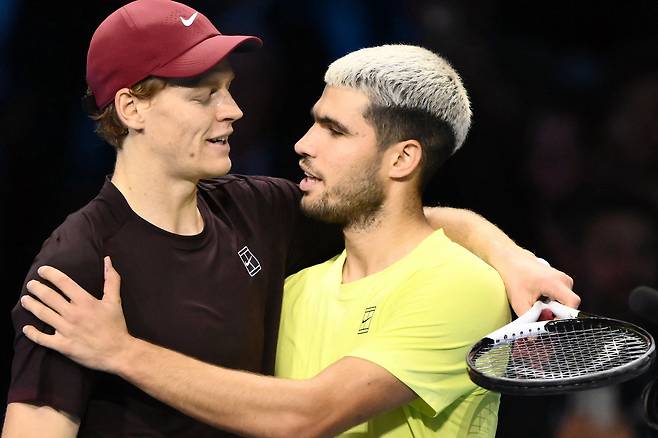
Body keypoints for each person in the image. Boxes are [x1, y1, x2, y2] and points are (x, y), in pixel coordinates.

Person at [4, 0, 578, 437]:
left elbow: (402, 216)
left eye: (227, 90)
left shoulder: (259, 211)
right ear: (133, 109)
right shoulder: (79, 261)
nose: (234, 110)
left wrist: (510, 257)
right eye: (204, 96)